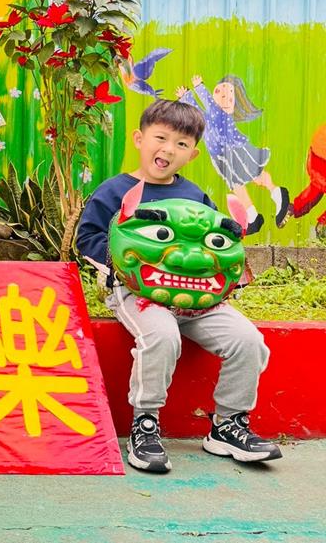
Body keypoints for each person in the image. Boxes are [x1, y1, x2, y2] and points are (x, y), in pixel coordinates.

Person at [77, 98, 282, 473]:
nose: (169, 149)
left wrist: (224, 275)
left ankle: (228, 425)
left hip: (196, 297)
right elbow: (87, 237)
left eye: (182, 143)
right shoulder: (114, 191)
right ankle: (145, 423)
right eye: (161, 137)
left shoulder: (195, 197)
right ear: (139, 139)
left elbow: (214, 244)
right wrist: (120, 257)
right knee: (162, 335)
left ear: (193, 153)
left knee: (247, 340)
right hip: (135, 292)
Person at [176, 74, 290, 235]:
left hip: (234, 150)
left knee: (255, 175)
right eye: (220, 93)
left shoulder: (220, 113)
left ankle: (277, 193)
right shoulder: (208, 117)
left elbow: (208, 103)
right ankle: (253, 216)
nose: (225, 99)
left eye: (230, 97)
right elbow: (198, 113)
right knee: (238, 185)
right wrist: (186, 97)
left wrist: (198, 88)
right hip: (220, 156)